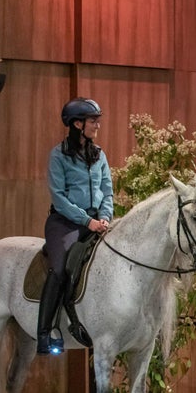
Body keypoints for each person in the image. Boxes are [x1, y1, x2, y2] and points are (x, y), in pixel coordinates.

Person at [37, 98, 113, 355]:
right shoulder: (58, 156)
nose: (97, 126)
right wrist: (87, 221)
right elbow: (59, 197)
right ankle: (45, 333)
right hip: (65, 222)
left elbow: (108, 192)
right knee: (59, 269)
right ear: (77, 124)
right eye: (93, 121)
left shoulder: (99, 154)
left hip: (97, 222)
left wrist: (105, 218)